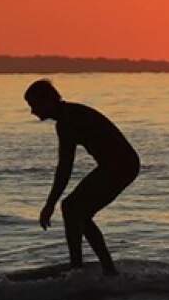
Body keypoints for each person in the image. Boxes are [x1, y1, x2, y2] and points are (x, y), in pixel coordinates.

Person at [24, 79, 140, 276]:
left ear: (48, 101)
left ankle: (84, 269)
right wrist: (51, 203)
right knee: (75, 210)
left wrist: (49, 204)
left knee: (72, 208)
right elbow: (65, 167)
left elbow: (65, 168)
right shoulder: (67, 116)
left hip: (122, 166)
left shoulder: (69, 120)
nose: (33, 112)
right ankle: (96, 269)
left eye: (34, 105)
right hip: (115, 166)